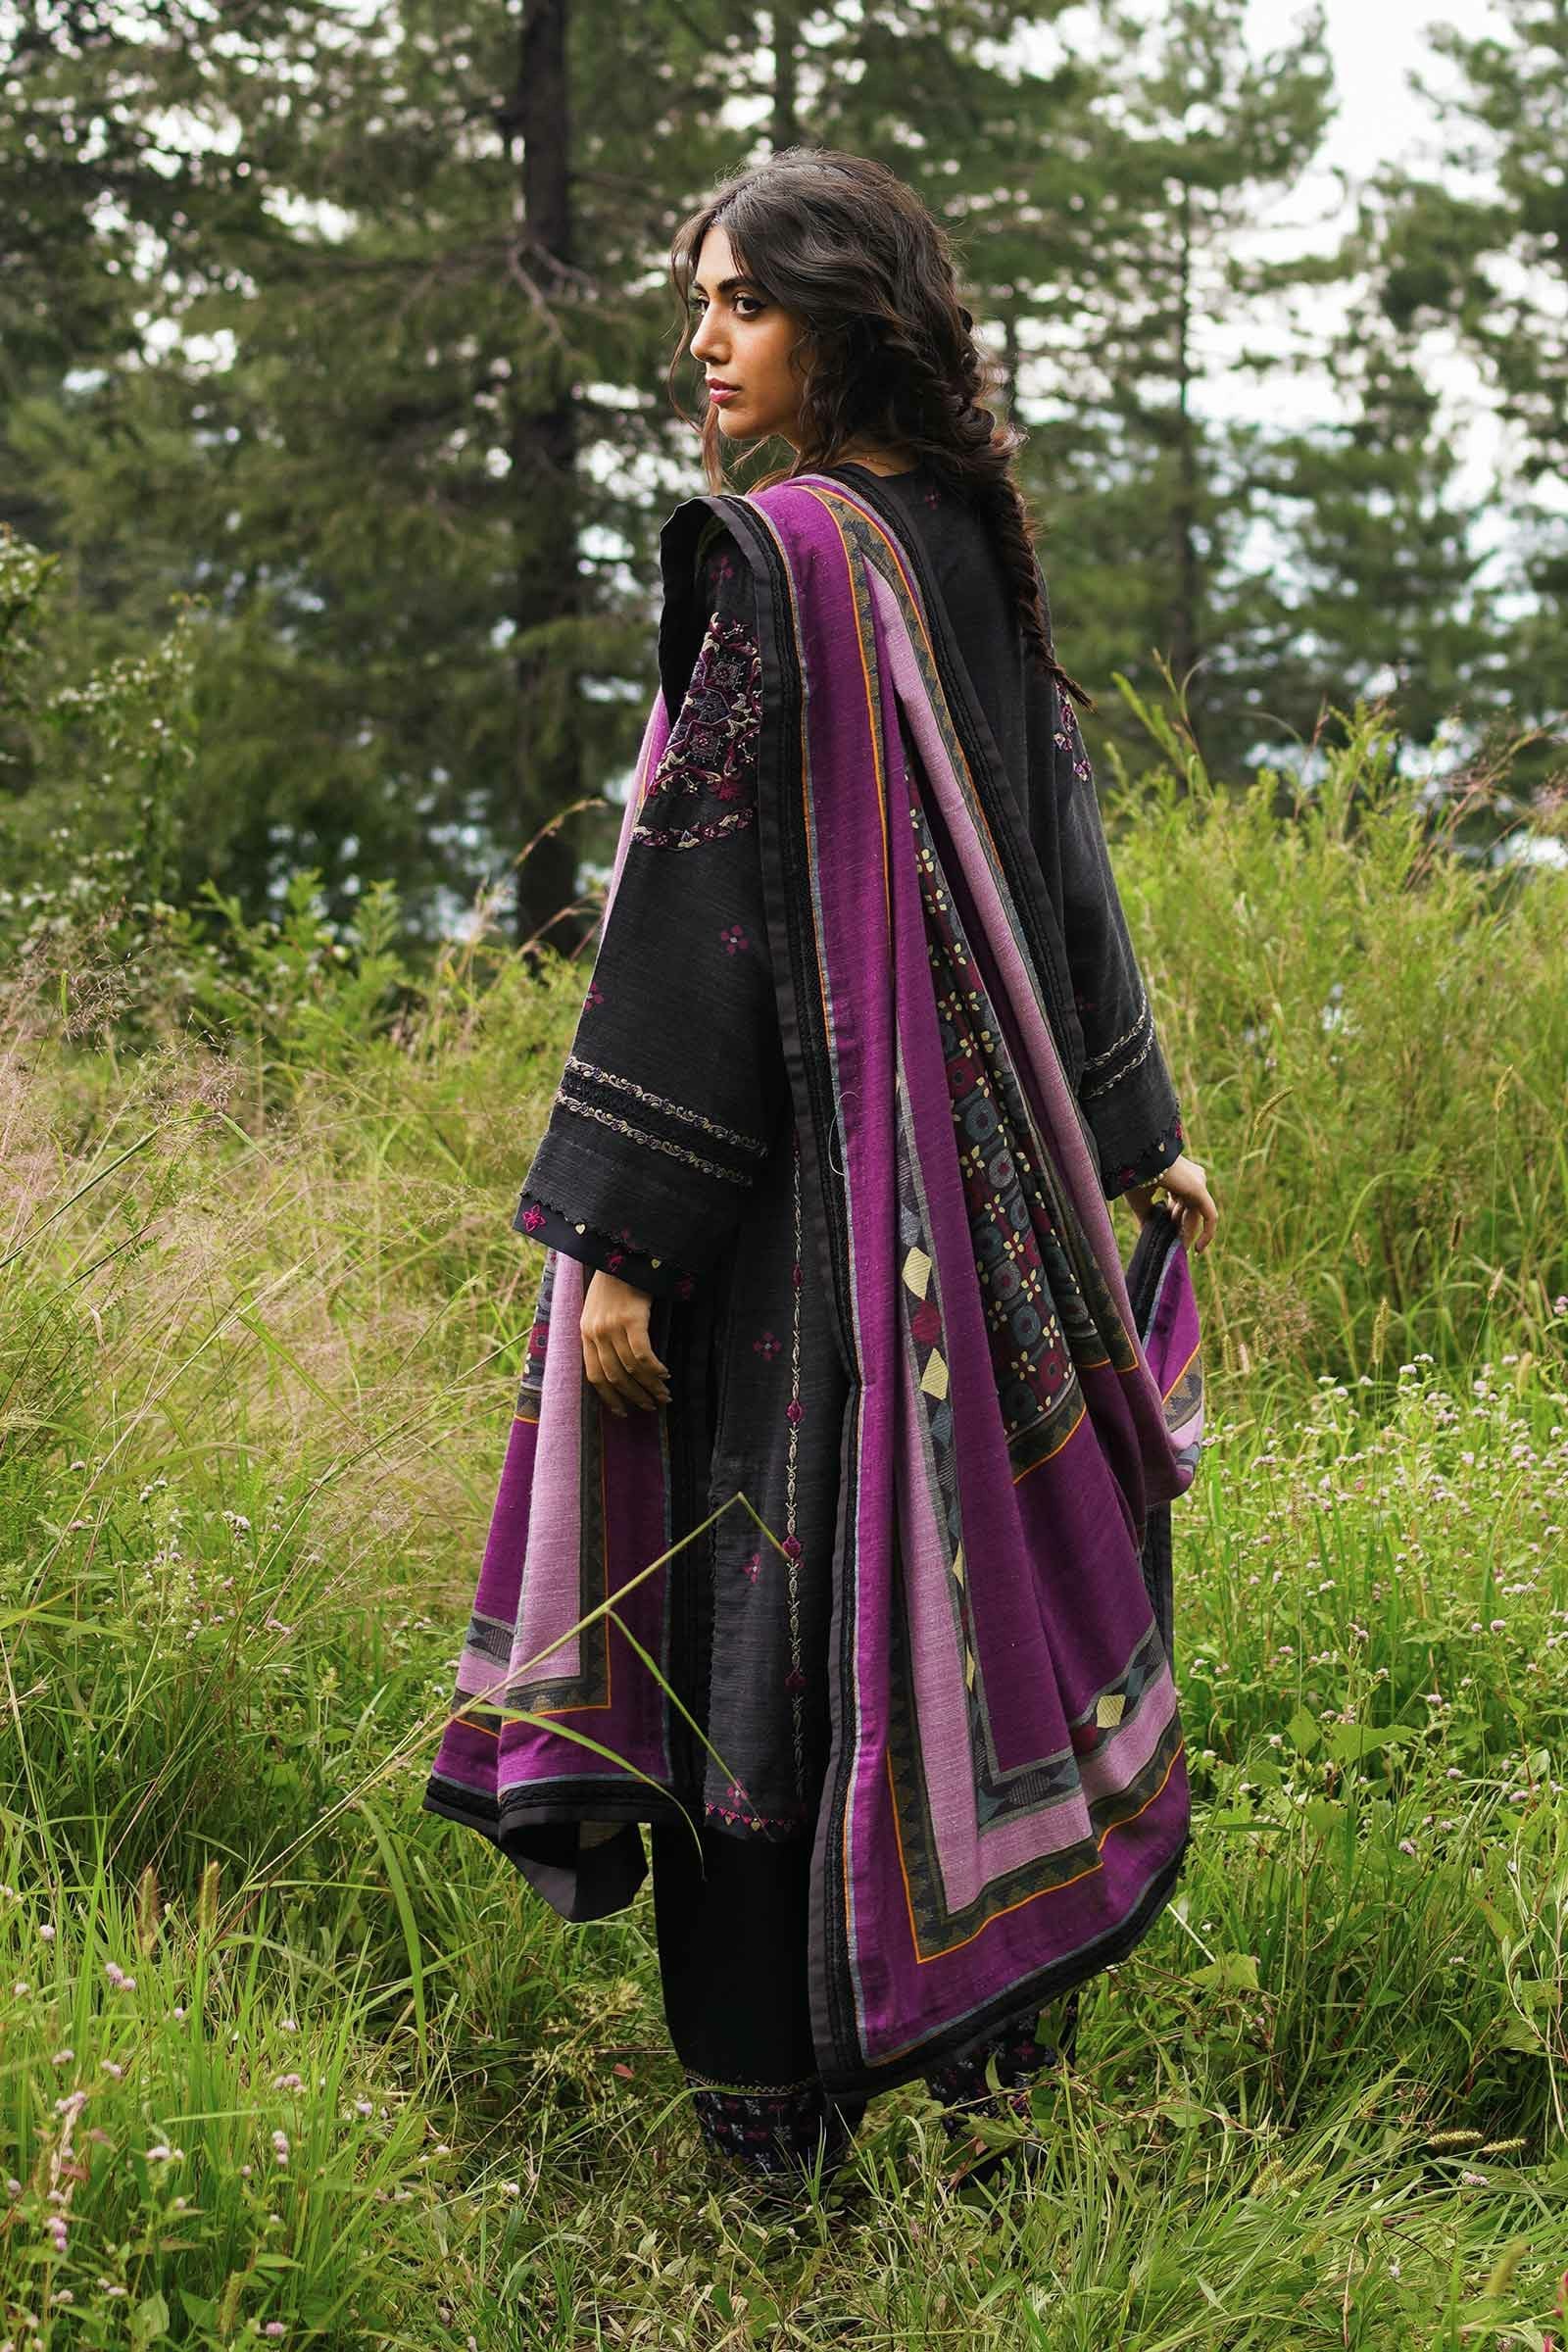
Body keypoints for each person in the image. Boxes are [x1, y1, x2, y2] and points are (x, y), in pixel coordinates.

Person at [424, 147, 1219, 2198]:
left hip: (797, 1222)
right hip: (989, 1206)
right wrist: (1131, 1127)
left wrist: (621, 1233)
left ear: (843, 320)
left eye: (744, 303)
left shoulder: (779, 554)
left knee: (770, 1610)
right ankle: (983, 2061)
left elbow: (698, 910)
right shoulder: (956, 531)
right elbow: (1060, 840)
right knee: (972, 1597)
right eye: (698, 301)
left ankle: (770, 2134)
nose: (704, 341)